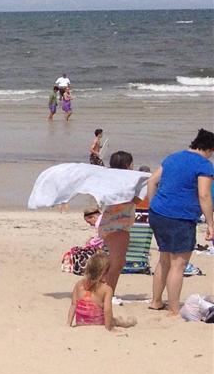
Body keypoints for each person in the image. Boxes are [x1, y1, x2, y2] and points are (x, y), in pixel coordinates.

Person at [142, 129, 214, 315]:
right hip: (180, 217)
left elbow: (151, 182)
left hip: (158, 213)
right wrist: (210, 222)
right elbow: (204, 195)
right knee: (178, 264)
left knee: (164, 259)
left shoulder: (172, 158)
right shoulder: (204, 165)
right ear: (209, 149)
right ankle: (174, 309)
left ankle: (156, 301)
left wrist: (154, 206)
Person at [94, 150, 138, 291]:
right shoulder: (127, 181)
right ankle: (108, 291)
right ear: (127, 164)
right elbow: (134, 199)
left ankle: (104, 289)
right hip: (118, 225)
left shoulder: (109, 180)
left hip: (108, 223)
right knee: (117, 261)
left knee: (115, 260)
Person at [69, 250, 134, 331]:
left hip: (81, 323)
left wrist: (69, 324)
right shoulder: (107, 289)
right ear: (103, 273)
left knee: (115, 320)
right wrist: (108, 328)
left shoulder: (79, 284)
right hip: (98, 323)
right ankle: (125, 322)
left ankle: (121, 321)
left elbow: (73, 305)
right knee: (115, 321)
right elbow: (107, 310)